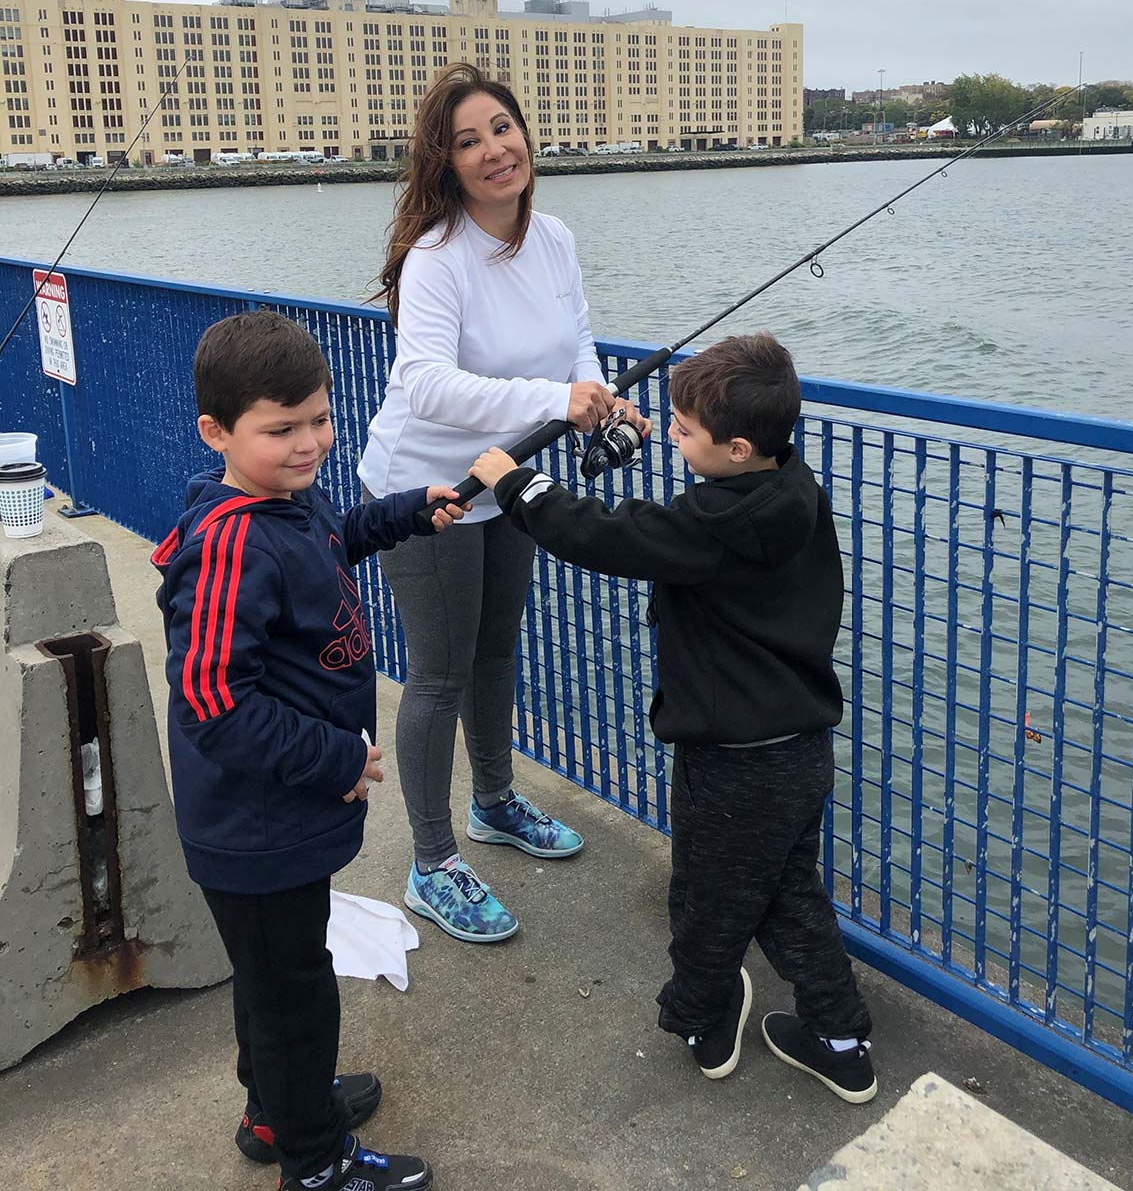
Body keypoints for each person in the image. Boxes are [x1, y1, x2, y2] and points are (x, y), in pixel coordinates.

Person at [469, 332, 877, 1102]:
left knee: (704, 898)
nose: (674, 438)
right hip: (801, 747)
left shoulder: (714, 526)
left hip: (732, 760)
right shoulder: (793, 487)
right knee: (789, 893)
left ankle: (701, 1017)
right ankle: (842, 1035)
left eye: (686, 431)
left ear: (739, 445)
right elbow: (676, 524)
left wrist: (519, 486)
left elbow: (614, 535)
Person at [154, 310, 466, 1191]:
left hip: (275, 821)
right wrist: (334, 759)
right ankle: (316, 1160)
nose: (309, 443)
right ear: (218, 432)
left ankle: (273, 1109)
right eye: (281, 429)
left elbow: (339, 536)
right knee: (297, 996)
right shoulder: (230, 544)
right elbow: (213, 700)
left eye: (320, 420)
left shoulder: (287, 504)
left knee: (271, 981)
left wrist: (412, 509)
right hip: (257, 828)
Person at [358, 62, 649, 943]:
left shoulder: (552, 234)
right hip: (432, 488)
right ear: (443, 164)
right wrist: (553, 403)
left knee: (496, 653)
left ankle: (493, 802)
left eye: (502, 127)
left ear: (527, 132)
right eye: (468, 140)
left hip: (509, 482)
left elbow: (579, 335)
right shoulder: (438, 258)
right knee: (439, 674)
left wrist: (598, 393)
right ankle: (433, 860)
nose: (494, 150)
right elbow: (428, 387)